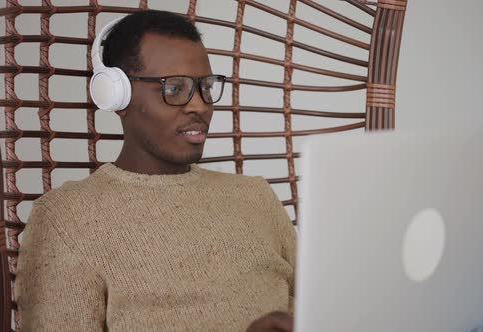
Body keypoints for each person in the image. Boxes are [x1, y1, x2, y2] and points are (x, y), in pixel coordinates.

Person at [15, 10, 296, 332]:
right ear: (115, 94)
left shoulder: (254, 195)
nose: (200, 105)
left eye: (206, 86)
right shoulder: (66, 218)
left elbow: (325, 304)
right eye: (174, 88)